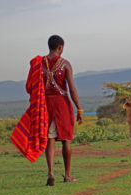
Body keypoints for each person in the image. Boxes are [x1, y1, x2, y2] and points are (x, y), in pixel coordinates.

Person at [43, 35, 83, 186]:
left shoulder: (40, 64)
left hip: (46, 105)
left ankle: (51, 172)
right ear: (60, 47)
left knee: (50, 139)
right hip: (62, 104)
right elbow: (72, 89)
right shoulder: (65, 64)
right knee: (66, 139)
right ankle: (67, 175)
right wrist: (79, 108)